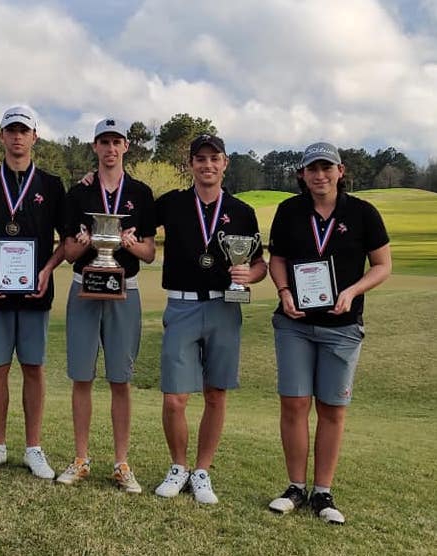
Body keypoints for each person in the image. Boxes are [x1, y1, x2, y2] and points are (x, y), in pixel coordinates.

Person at [267, 142, 391, 524]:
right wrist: (284, 292)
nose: (319, 175)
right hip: (295, 325)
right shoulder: (290, 211)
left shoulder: (362, 213)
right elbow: (278, 259)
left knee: (332, 409)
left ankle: (323, 492)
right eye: (312, 169)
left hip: (342, 327)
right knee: (294, 405)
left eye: (326, 167)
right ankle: (294, 487)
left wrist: (353, 290)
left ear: (340, 170)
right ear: (302, 174)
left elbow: (382, 264)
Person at [154, 134, 267, 503]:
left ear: (225, 163)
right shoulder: (171, 203)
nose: (207, 165)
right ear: (190, 164)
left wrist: (251, 274)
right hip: (182, 305)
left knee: (216, 394)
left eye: (214, 158)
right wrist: (92, 180)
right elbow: (131, 212)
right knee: (175, 398)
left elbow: (259, 262)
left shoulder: (242, 210)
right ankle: (178, 466)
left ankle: (202, 471)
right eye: (200, 159)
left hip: (224, 307)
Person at [56, 118, 156, 493]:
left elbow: (148, 253)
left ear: (126, 146)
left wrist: (128, 245)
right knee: (82, 377)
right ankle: (81, 459)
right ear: (94, 146)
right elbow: (68, 253)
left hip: (124, 289)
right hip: (85, 286)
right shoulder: (78, 193)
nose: (110, 148)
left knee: (120, 379)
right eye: (104, 142)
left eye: (116, 141)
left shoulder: (141, 193)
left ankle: (121, 463)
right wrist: (85, 242)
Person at [0, 106, 66, 480]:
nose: (18, 137)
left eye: (24, 131)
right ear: (2, 136)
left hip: (36, 291)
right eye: (11, 130)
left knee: (34, 368)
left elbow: (67, 239)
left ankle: (34, 449)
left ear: (35, 136)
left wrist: (48, 269)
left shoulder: (52, 185)